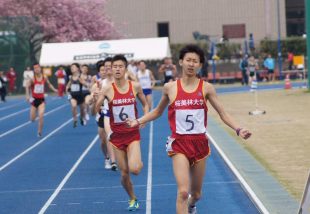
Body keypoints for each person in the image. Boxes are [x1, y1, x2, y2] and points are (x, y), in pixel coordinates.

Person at [126, 45, 251, 214]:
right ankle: (187, 203)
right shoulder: (170, 88)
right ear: (181, 62)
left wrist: (238, 129)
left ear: (199, 65)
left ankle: (192, 206)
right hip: (179, 143)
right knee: (183, 192)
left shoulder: (206, 88)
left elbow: (222, 112)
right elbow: (157, 111)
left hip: (200, 143)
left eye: (195, 61)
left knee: (196, 194)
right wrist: (138, 121)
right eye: (188, 60)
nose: (191, 64)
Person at [95, 54, 149, 211]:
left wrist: (143, 119)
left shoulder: (135, 86)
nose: (117, 69)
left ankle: (137, 161)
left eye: (120, 66)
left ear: (125, 69)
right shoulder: (107, 89)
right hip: (116, 137)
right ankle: (133, 198)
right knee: (124, 174)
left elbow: (145, 105)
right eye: (115, 66)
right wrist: (95, 100)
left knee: (135, 169)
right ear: (111, 69)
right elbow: (95, 110)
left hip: (132, 135)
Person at [90, 58, 117, 170]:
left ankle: (114, 161)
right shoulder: (98, 84)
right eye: (104, 68)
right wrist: (94, 98)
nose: (107, 69)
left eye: (109, 66)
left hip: (116, 113)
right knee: (103, 140)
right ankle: (107, 157)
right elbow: (92, 102)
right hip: (102, 114)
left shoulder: (118, 81)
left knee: (111, 137)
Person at [25, 64, 57, 137]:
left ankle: (39, 131)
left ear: (40, 69)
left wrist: (54, 89)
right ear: (34, 70)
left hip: (41, 100)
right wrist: (27, 95)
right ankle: (34, 115)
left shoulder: (44, 77)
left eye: (38, 68)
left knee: (41, 116)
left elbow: (49, 84)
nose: (37, 69)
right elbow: (27, 86)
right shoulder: (33, 79)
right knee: (32, 119)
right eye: (35, 68)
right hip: (34, 100)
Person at [66, 63, 86, 127]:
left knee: (82, 109)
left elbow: (85, 84)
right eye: (71, 67)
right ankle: (75, 120)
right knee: (74, 106)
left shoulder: (81, 76)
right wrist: (68, 94)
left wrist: (82, 82)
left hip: (80, 95)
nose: (72, 68)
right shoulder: (70, 77)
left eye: (73, 67)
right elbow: (67, 87)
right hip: (73, 95)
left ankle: (81, 118)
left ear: (77, 68)